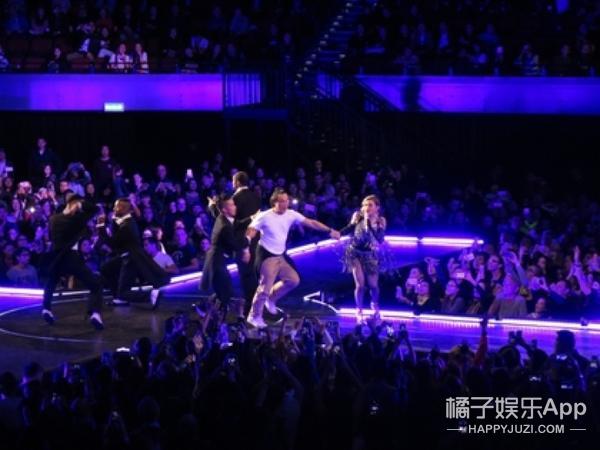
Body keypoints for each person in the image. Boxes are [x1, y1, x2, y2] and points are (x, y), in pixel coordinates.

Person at [245, 188, 341, 328]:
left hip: (281, 254)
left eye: (286, 201)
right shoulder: (265, 216)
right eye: (282, 201)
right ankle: (254, 316)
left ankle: (271, 299)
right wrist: (246, 245)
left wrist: (329, 230)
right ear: (274, 202)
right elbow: (251, 230)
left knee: (293, 280)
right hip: (266, 254)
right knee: (264, 287)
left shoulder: (291, 214)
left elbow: (311, 223)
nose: (285, 204)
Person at [42, 193, 104, 329]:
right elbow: (95, 209)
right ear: (75, 204)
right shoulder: (77, 219)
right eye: (79, 203)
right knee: (95, 285)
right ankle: (95, 314)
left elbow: (51, 237)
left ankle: (46, 309)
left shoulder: (53, 219)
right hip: (72, 257)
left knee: (51, 282)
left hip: (57, 256)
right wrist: (81, 204)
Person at [99, 198, 170, 309]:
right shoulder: (124, 221)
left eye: (117, 206)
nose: (114, 209)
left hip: (131, 258)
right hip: (126, 256)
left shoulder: (127, 226)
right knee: (106, 269)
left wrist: (101, 226)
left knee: (123, 292)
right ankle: (119, 297)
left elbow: (112, 244)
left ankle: (149, 295)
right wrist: (113, 220)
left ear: (124, 209)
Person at [209, 170, 261, 310]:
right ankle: (256, 302)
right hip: (256, 239)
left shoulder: (234, 199)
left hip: (242, 242)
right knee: (254, 273)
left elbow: (226, 220)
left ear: (237, 182)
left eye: (233, 180)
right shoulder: (256, 196)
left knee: (246, 275)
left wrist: (213, 207)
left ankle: (251, 306)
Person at [201, 194, 251, 319]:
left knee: (224, 291)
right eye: (231, 205)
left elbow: (216, 213)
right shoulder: (224, 227)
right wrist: (248, 239)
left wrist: (212, 206)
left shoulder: (222, 217)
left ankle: (209, 309)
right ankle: (208, 311)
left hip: (218, 260)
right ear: (224, 209)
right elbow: (235, 244)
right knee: (225, 292)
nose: (235, 207)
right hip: (216, 262)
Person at [341, 195, 387, 323]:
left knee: (373, 285)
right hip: (354, 252)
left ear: (377, 207)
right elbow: (350, 228)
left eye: (370, 205)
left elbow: (380, 238)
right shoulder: (357, 216)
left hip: (370, 254)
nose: (367, 207)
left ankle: (374, 304)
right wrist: (339, 233)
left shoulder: (381, 220)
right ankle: (359, 309)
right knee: (360, 285)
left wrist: (369, 224)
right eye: (365, 205)